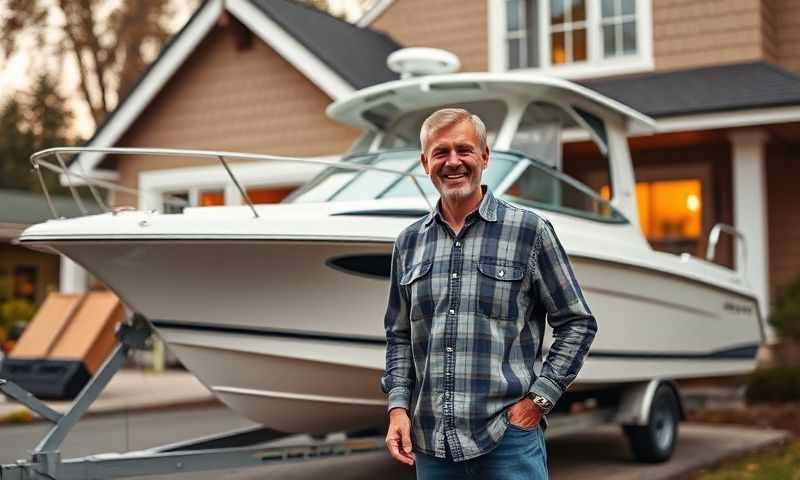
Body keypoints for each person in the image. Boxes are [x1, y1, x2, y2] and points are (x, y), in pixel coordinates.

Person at [380, 108, 598, 479]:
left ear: (484, 156)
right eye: (440, 152)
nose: (453, 162)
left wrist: (539, 400)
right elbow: (399, 336)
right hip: (433, 446)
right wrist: (398, 408)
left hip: (508, 441)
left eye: (464, 150)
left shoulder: (529, 231)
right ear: (424, 163)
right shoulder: (409, 243)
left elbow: (577, 322)